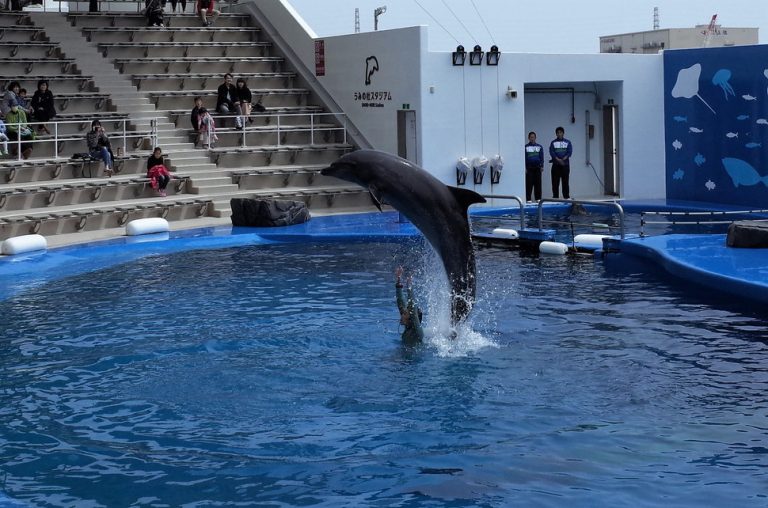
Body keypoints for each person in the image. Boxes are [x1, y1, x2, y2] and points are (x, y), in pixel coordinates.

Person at [395, 266, 424, 344]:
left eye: (404, 313)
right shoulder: (408, 327)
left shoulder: (417, 332)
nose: (401, 315)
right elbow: (400, 303)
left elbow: (412, 308)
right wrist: (398, 280)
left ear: (411, 318)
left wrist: (409, 286)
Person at [549, 126, 573, 199]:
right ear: (556, 134)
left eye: (560, 132)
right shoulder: (553, 142)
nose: (559, 134)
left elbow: (569, 152)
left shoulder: (567, 142)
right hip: (556, 165)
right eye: (558, 133)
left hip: (565, 165)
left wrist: (564, 159)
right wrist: (558, 160)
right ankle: (555, 197)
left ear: (563, 133)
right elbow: (552, 152)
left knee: (565, 182)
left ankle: (566, 197)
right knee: (555, 183)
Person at [524, 131, 545, 202]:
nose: (532, 138)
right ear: (528, 138)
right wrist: (525, 168)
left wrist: (542, 166)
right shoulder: (526, 147)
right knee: (529, 183)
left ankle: (538, 198)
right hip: (529, 168)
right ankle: (528, 199)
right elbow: (524, 158)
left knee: (538, 183)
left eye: (533, 137)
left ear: (535, 138)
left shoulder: (539, 147)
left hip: (537, 168)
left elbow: (541, 157)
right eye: (531, 137)